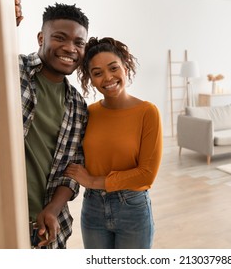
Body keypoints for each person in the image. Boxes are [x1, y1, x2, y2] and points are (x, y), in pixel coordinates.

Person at [64, 37, 163, 249]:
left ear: (126, 67)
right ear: (90, 79)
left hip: (132, 208)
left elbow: (147, 174)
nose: (108, 78)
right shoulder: (88, 113)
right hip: (92, 208)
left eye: (113, 68)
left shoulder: (147, 112)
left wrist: (92, 181)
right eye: (97, 73)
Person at [15, 0, 89, 249]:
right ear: (41, 38)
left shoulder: (78, 105)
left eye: (79, 43)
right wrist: (1, 22)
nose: (70, 48)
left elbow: (73, 168)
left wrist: (53, 209)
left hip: (48, 226)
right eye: (60, 38)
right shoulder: (14, 70)